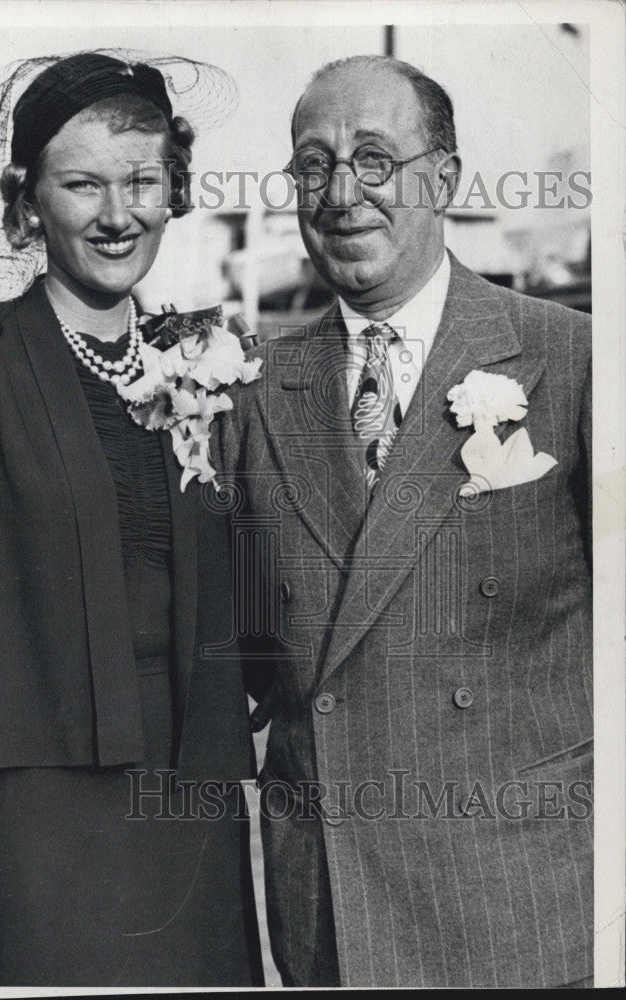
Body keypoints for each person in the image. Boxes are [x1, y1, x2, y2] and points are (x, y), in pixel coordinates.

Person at [0, 51, 262, 988]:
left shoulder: (211, 364)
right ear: (25, 204)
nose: (117, 213)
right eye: (82, 185)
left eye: (142, 182)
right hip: (34, 812)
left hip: (193, 810)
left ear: (175, 190)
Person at [217, 55, 592, 988]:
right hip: (331, 912)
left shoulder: (575, 359)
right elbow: (227, 642)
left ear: (443, 178)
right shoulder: (250, 385)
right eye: (311, 167)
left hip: (525, 905)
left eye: (374, 160)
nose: (341, 194)